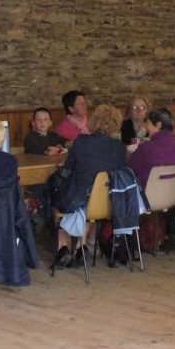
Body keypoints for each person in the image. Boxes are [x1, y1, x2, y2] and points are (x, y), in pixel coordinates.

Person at [52, 104, 126, 269]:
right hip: (107, 203)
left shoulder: (81, 142)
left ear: (94, 121)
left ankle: (63, 247)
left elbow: (68, 169)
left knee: (56, 197)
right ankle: (81, 247)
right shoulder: (120, 148)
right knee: (89, 202)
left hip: (80, 198)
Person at [127, 107, 175, 188]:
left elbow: (129, 169)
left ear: (158, 125)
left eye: (148, 123)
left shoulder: (147, 148)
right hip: (173, 192)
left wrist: (129, 155)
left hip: (147, 193)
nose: (146, 127)